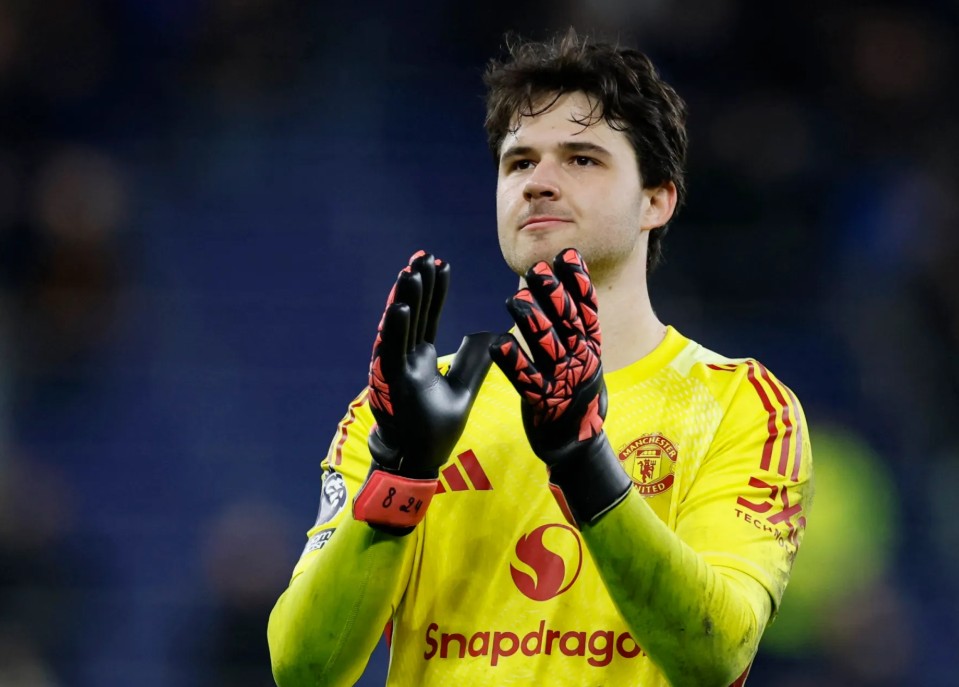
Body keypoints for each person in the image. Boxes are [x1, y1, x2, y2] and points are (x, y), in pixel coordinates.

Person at [268, 28, 813, 687]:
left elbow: (716, 656)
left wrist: (584, 463)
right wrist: (400, 475)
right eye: (519, 162)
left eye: (582, 159)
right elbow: (304, 669)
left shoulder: (740, 406)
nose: (538, 184)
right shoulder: (401, 410)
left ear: (656, 200)